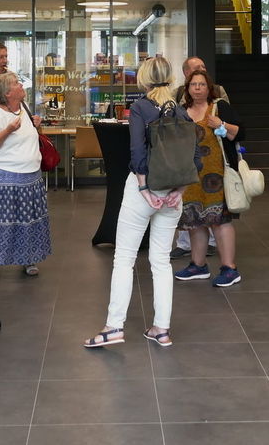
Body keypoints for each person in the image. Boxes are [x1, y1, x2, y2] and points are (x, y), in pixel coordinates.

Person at [83, 55, 188, 350]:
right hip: (172, 195)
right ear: (170, 76)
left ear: (144, 78)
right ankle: (161, 328)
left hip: (144, 191)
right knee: (161, 262)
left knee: (125, 259)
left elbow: (137, 151)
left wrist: (144, 189)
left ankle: (114, 326)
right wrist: (178, 190)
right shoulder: (180, 111)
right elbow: (195, 156)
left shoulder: (141, 107)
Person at [172, 69, 245, 287]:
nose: (197, 88)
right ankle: (198, 265)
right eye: (193, 85)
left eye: (202, 84)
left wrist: (221, 125)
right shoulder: (182, 111)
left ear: (209, 88)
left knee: (220, 222)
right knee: (195, 222)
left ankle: (230, 268)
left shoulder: (219, 107)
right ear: (187, 88)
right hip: (192, 177)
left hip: (218, 176)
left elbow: (240, 133)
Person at [0, 71, 50, 280]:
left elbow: (32, 138)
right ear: (8, 92)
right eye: (18, 84)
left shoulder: (24, 110)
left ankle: (29, 258)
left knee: (29, 219)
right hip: (6, 175)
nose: (22, 86)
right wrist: (8, 129)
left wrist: (38, 125)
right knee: (0, 219)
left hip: (31, 175)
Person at [171, 56, 227, 261]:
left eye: (204, 67)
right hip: (188, 158)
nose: (203, 69)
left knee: (212, 200)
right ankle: (185, 245)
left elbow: (228, 118)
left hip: (213, 158)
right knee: (188, 201)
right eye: (197, 69)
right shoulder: (177, 93)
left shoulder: (219, 92)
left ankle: (211, 244)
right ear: (187, 74)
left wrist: (221, 125)